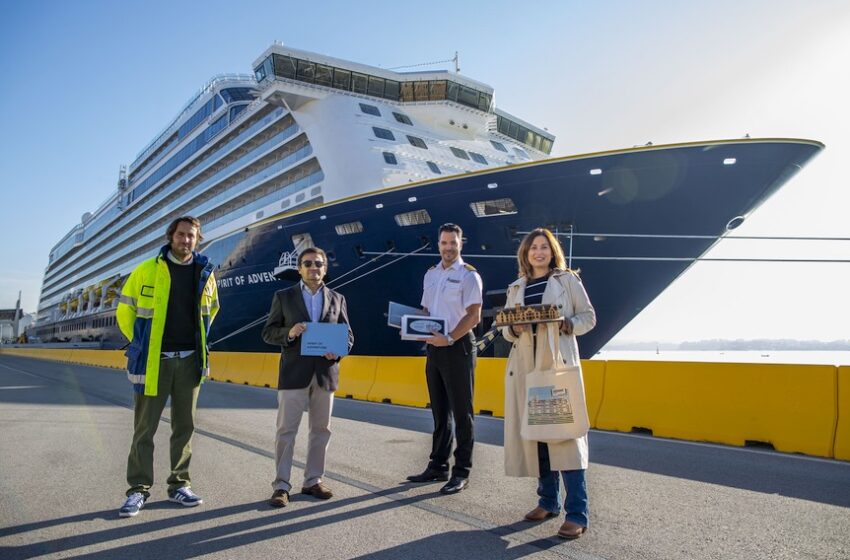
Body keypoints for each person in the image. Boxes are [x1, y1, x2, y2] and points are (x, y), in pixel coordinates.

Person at [116, 216, 220, 518]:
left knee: (184, 427)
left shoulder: (206, 272)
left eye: (191, 236)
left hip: (190, 360)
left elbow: (212, 310)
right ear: (170, 236)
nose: (186, 240)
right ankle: (137, 489)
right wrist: (139, 344)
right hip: (154, 361)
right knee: (144, 429)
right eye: (181, 234)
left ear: (197, 240)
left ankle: (179, 484)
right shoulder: (146, 270)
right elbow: (125, 310)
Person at [500, 227, 596, 539]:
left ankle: (577, 513)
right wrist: (514, 329)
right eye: (533, 248)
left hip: (554, 366)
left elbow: (588, 317)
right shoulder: (517, 287)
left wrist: (567, 324)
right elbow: (505, 327)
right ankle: (548, 501)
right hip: (527, 368)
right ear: (525, 254)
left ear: (552, 251)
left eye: (544, 247)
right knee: (538, 438)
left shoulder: (567, 280)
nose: (538, 252)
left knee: (564, 438)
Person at [262, 247, 354, 508]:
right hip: (294, 372)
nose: (314, 268)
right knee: (286, 430)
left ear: (325, 268)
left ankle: (313, 480)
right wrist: (289, 333)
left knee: (321, 430)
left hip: (325, 373)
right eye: (308, 264)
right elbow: (268, 332)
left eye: (318, 264)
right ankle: (281, 485)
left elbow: (348, 336)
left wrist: (336, 353)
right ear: (299, 268)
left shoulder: (338, 298)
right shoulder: (284, 296)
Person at [407, 223, 482, 495]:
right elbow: (426, 309)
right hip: (434, 348)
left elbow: (473, 315)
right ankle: (437, 465)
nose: (448, 247)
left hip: (458, 346)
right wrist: (414, 328)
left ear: (461, 244)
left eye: (453, 242)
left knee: (463, 413)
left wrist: (449, 337)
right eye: (444, 243)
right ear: (438, 244)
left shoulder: (468, 276)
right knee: (439, 411)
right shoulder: (431, 274)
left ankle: (461, 471)